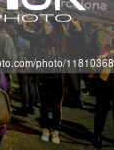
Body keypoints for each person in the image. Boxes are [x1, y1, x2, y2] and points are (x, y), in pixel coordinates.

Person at [16, 12, 87, 144]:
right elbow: (24, 34)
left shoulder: (64, 39)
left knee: (56, 106)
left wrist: (77, 26)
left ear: (55, 26)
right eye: (45, 24)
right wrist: (20, 20)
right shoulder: (40, 38)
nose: (45, 26)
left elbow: (82, 41)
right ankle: (45, 129)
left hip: (58, 78)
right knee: (43, 105)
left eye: (48, 25)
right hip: (43, 77)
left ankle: (55, 131)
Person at [93, 31, 114, 149]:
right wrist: (107, 56)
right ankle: (97, 135)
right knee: (101, 111)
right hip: (104, 83)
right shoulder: (107, 49)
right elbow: (95, 65)